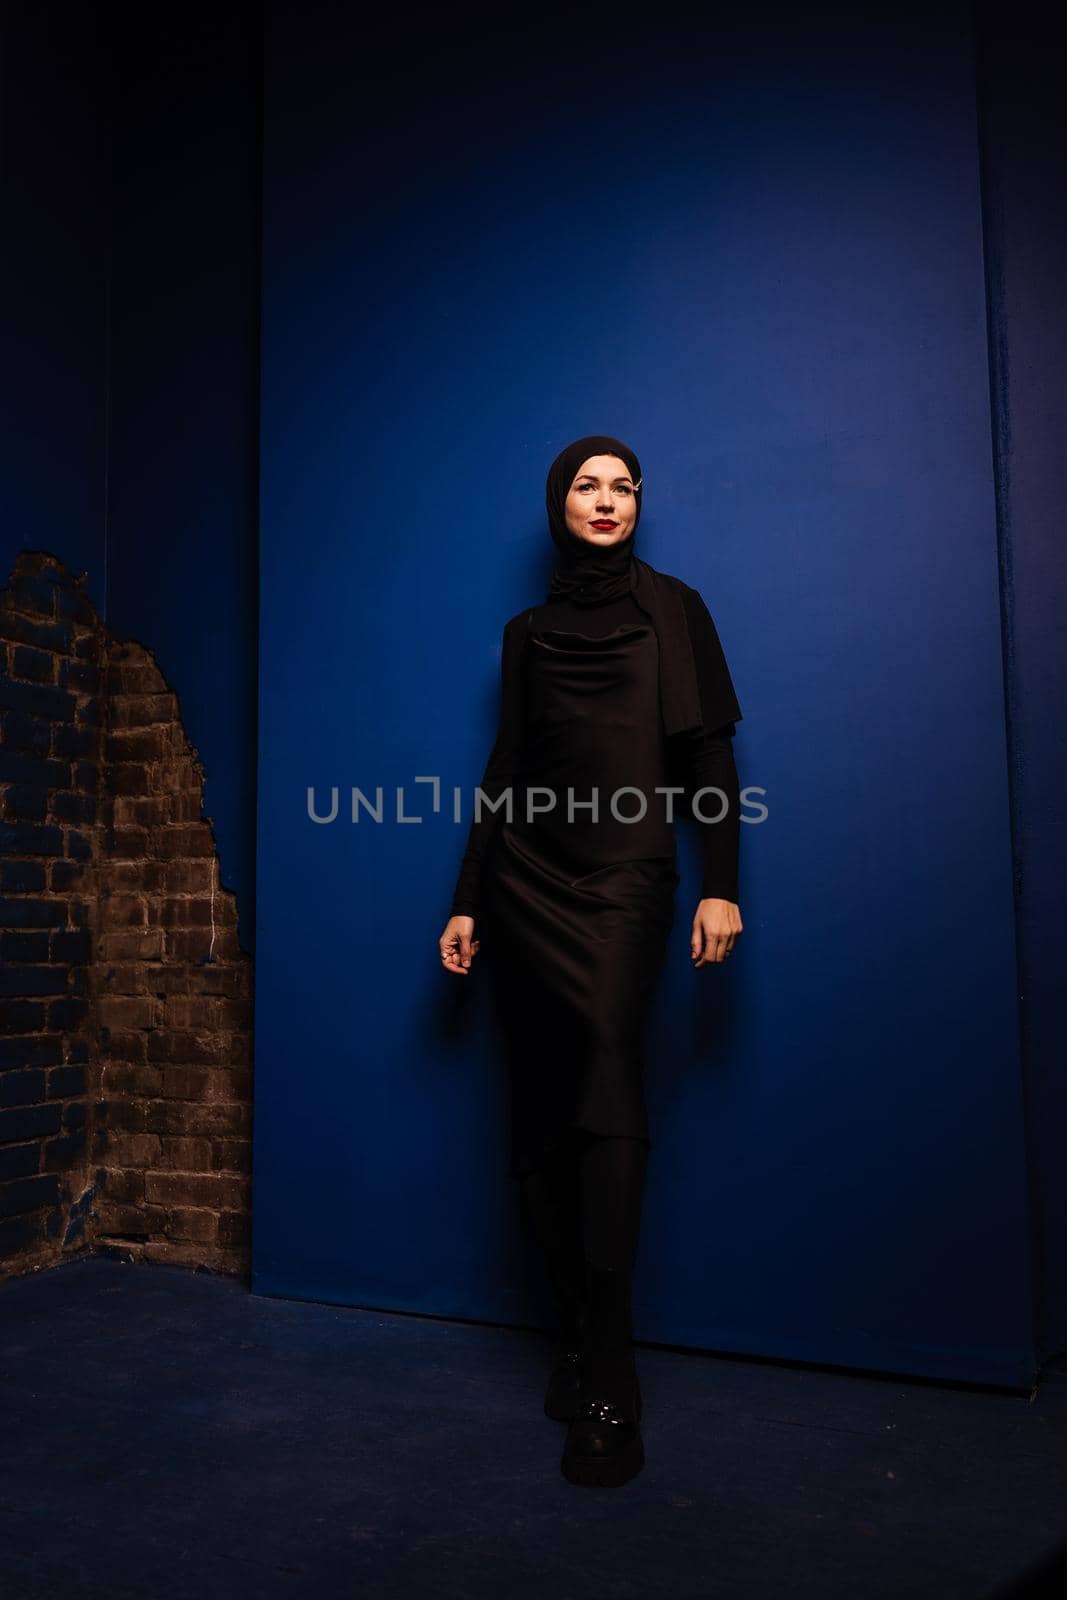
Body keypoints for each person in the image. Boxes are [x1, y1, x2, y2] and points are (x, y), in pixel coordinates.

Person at [438, 435, 744, 1488]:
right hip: (525, 874)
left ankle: (611, 1376)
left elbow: (709, 754)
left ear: (637, 505)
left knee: (606, 1079)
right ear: (557, 503)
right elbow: (506, 765)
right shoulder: (525, 632)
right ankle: (570, 1334)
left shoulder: (676, 608)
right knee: (540, 1110)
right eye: (586, 484)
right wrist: (468, 897)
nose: (605, 500)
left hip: (624, 878)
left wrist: (720, 882)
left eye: (623, 487)